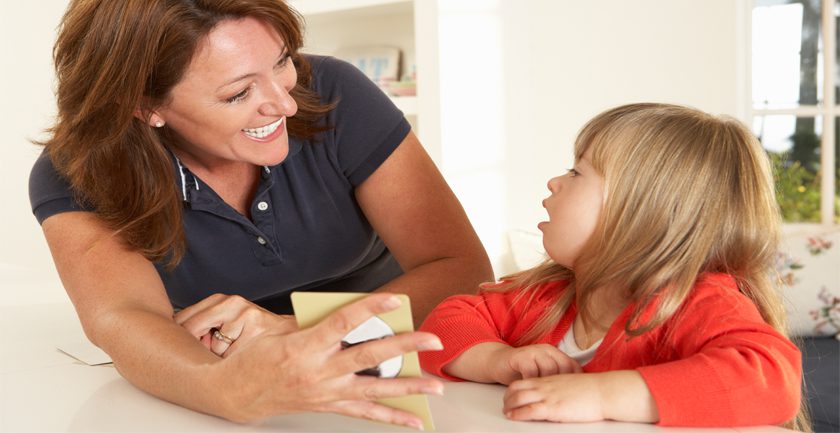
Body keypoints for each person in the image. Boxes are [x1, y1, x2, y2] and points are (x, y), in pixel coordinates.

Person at [28, 0, 493, 428]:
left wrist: (299, 330)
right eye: (237, 93)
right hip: (223, 370)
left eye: (282, 61)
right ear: (146, 106)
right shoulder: (77, 173)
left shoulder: (335, 92)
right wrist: (229, 391)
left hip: (402, 346)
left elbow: (462, 269)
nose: (285, 103)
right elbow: (121, 318)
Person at [419, 103, 809, 430]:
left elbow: (772, 378)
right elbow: (445, 323)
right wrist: (496, 359)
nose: (555, 182)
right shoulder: (547, 295)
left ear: (642, 212)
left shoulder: (695, 303)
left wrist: (603, 394)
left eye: (576, 173)